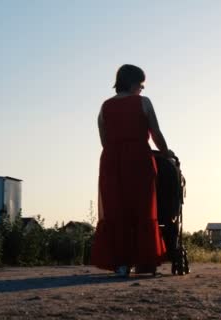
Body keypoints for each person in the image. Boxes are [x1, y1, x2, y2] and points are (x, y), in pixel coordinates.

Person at [91, 64, 169, 276]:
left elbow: (104, 140)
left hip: (111, 162)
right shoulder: (143, 102)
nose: (142, 88)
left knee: (116, 210)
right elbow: (156, 133)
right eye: (141, 84)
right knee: (142, 209)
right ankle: (145, 262)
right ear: (134, 82)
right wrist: (167, 152)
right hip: (138, 161)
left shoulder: (104, 107)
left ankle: (121, 264)